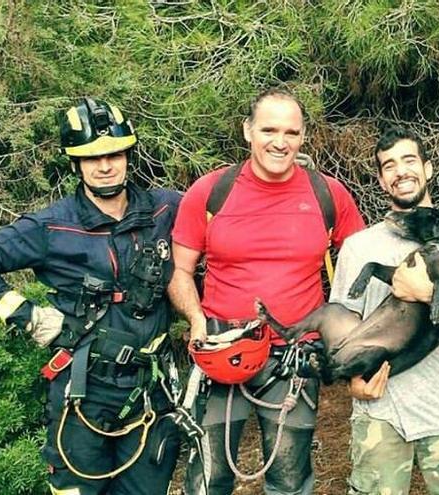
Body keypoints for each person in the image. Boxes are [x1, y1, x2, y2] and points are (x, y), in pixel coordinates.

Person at [0, 98, 182, 494]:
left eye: (114, 154)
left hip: (151, 391)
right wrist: (28, 316)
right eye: (92, 158)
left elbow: (228, 216)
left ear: (128, 155)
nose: (105, 165)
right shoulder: (52, 226)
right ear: (75, 164)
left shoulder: (166, 208)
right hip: (83, 394)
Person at [169, 87, 365, 495]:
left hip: (293, 362)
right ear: (248, 131)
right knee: (208, 478)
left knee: (290, 479)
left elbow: (362, 264)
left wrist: (343, 335)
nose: (280, 142)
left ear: (303, 136)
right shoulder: (210, 192)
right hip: (222, 352)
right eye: (269, 130)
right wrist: (197, 320)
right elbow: (180, 271)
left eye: (291, 133)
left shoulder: (327, 194)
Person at [328, 124, 439, 494]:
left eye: (409, 160)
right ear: (381, 180)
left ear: (427, 168)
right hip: (380, 411)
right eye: (389, 165)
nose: (400, 171)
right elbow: (343, 324)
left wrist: (425, 292)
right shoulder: (359, 247)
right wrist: (352, 381)